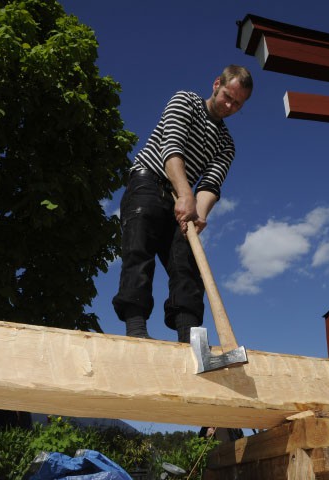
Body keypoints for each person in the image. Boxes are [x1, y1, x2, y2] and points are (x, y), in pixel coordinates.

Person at [112, 65, 253, 342]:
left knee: (187, 262)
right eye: (227, 96)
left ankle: (190, 339)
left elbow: (211, 185)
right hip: (149, 182)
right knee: (139, 250)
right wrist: (186, 193)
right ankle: (137, 330)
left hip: (184, 199)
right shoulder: (185, 100)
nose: (229, 105)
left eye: (237, 104)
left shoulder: (227, 144)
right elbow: (172, 148)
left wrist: (197, 214)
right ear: (216, 84)